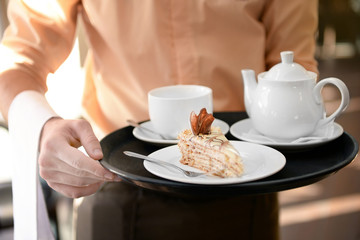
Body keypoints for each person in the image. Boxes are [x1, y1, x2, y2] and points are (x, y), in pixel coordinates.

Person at [0, 0, 318, 239]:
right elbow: (18, 62)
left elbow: (292, 63)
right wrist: (43, 127)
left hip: (242, 189)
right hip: (117, 189)